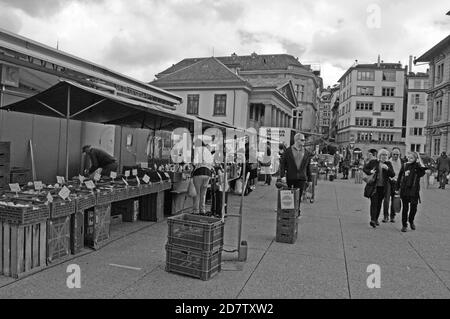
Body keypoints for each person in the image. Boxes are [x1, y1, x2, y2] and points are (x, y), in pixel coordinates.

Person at [279, 133, 313, 215]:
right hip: (290, 177)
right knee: (289, 195)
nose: (304, 141)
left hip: (301, 178)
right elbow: (282, 164)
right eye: (302, 140)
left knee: (298, 196)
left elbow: (308, 167)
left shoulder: (307, 153)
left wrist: (310, 179)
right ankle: (289, 211)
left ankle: (297, 211)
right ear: (297, 140)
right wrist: (282, 175)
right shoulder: (288, 151)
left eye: (304, 140)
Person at [363, 149, 395, 228]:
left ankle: (376, 218)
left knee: (379, 203)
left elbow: (392, 174)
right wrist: (370, 171)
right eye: (382, 155)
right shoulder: (374, 162)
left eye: (385, 155)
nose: (384, 156)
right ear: (379, 155)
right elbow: (365, 169)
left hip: (383, 187)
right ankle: (373, 220)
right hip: (374, 186)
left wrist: (387, 169)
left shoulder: (388, 163)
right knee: (374, 203)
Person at [397, 152, 426, 232]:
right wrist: (397, 188)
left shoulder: (417, 167)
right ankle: (404, 225)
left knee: (414, 207)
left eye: (411, 158)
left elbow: (423, 170)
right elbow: (399, 177)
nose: (409, 159)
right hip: (405, 189)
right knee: (405, 208)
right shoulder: (405, 165)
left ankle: (411, 220)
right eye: (408, 157)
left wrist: (419, 161)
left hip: (414, 190)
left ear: (415, 159)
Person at [192, 139, 214, 215]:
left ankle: (196, 211)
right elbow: (211, 164)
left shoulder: (198, 150)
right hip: (207, 174)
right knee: (203, 193)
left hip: (199, 173)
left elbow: (195, 162)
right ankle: (202, 210)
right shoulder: (208, 152)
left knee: (197, 193)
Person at [385, 147, 404, 223]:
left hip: (397, 183)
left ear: (399, 155)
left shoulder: (402, 162)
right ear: (391, 154)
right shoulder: (387, 162)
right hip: (389, 181)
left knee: (394, 199)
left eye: (397, 154)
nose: (395, 156)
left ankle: (392, 216)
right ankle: (386, 216)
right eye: (394, 154)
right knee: (386, 199)